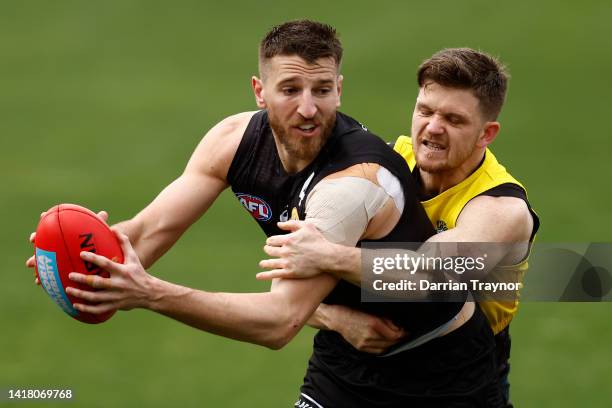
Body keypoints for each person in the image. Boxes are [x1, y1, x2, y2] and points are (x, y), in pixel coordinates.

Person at [27, 23, 503, 407]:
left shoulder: (352, 184)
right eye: (290, 89)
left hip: (442, 371)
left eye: (321, 90)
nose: (308, 108)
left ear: (340, 90)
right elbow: (149, 231)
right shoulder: (233, 141)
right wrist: (90, 260)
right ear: (260, 90)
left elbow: (278, 322)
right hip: (346, 358)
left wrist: (151, 294)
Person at [257, 48, 540, 407]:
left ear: (487, 134)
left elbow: (428, 277)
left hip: (455, 378)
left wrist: (329, 255)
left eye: (453, 119)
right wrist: (337, 318)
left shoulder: (501, 210)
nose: (433, 127)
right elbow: (291, 264)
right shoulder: (379, 166)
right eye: (425, 111)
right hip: (351, 362)